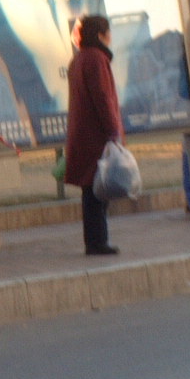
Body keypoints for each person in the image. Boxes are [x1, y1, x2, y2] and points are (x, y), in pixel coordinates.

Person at [64, 15, 123, 256]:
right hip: (96, 135)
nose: (110, 37)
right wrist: (113, 130)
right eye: (108, 32)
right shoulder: (97, 59)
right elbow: (103, 98)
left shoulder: (79, 59)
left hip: (83, 133)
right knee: (97, 190)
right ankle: (97, 241)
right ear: (100, 35)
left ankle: (95, 240)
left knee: (91, 189)